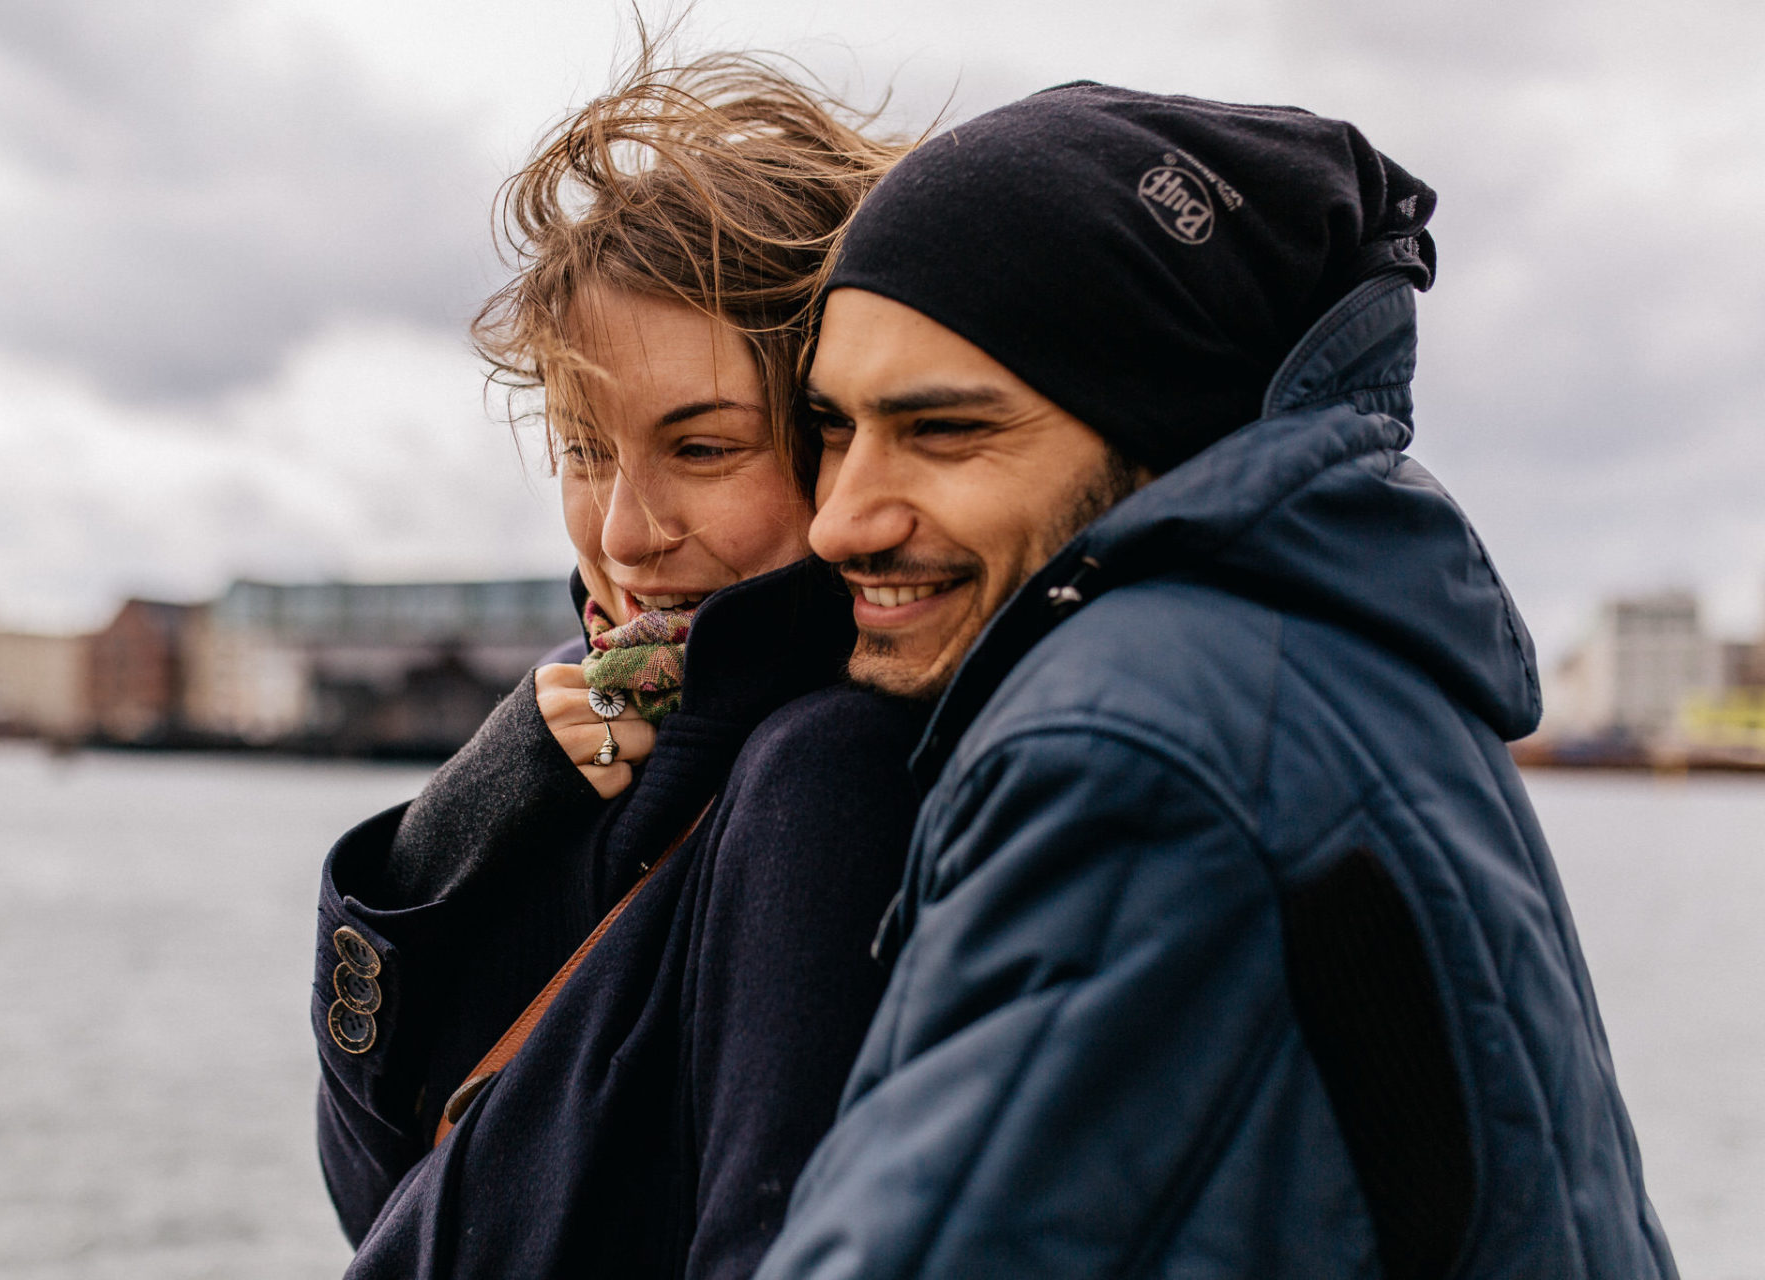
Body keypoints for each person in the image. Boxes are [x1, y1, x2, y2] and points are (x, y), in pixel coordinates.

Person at [756, 84, 1677, 1279]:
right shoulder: (1327, 660)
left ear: (1157, 437)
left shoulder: (1135, 745)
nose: (841, 520)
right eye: (836, 427)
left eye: (944, 433)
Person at [311, 51, 918, 1278]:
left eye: (700, 448)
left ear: (844, 435)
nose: (626, 530)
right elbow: (382, 1174)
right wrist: (469, 812)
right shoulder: (603, 706)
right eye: (586, 450)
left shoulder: (832, 768)